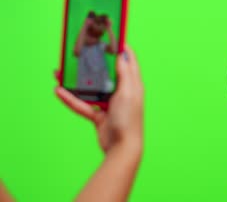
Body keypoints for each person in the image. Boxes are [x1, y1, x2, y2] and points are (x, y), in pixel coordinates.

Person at [1, 46, 143, 202]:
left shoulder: (101, 46)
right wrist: (126, 145)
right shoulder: (85, 46)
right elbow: (76, 50)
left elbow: (109, 47)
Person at [74, 11, 118, 92]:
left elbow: (114, 50)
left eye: (97, 37)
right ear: (85, 33)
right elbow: (76, 51)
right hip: (85, 87)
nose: (93, 40)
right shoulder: (81, 46)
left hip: (101, 86)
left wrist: (109, 29)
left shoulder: (100, 45)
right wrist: (85, 26)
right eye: (90, 35)